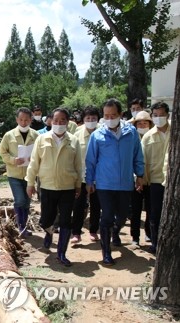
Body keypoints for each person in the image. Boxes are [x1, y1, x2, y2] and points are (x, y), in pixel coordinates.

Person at [85, 98, 144, 266]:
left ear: (120, 114)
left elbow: (137, 155)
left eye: (113, 115)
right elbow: (90, 160)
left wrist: (139, 174)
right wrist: (89, 181)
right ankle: (106, 253)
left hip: (125, 183)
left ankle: (116, 231)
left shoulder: (131, 133)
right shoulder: (97, 135)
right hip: (105, 184)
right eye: (106, 116)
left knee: (123, 215)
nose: (109, 119)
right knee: (108, 215)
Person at [26, 108, 82, 266]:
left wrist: (78, 184)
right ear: (50, 121)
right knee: (45, 220)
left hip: (67, 187)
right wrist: (30, 183)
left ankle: (61, 253)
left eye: (62, 120)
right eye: (56, 121)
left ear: (68, 122)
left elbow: (79, 165)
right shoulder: (41, 139)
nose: (59, 124)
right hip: (47, 186)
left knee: (65, 221)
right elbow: (34, 163)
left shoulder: (73, 140)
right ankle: (48, 233)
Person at [0, 108, 39, 238]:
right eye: (21, 119)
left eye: (26, 120)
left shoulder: (36, 135)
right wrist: (13, 160)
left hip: (30, 175)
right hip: (14, 174)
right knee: (20, 199)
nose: (23, 122)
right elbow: (3, 152)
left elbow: (40, 153)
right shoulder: (9, 135)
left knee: (27, 202)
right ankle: (20, 226)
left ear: (31, 120)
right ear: (17, 119)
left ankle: (24, 226)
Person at [141, 102, 171, 254]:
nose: (159, 118)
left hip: (172, 181)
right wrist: (142, 180)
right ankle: (155, 242)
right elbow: (143, 160)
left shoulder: (175, 132)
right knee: (154, 213)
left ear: (168, 115)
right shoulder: (147, 136)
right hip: (155, 181)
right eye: (156, 115)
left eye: (162, 115)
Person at [71, 106, 101, 244]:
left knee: (96, 205)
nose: (91, 121)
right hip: (81, 177)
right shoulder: (77, 134)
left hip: (99, 177)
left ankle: (94, 231)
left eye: (93, 118)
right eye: (88, 118)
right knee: (78, 205)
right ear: (83, 119)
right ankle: (76, 233)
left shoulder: (103, 132)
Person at [129, 111, 153, 246]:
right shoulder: (132, 137)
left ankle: (149, 234)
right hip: (135, 179)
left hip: (151, 179)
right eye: (139, 123)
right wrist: (137, 178)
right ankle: (135, 237)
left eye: (145, 123)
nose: (142, 125)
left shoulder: (152, 136)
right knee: (135, 210)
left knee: (151, 209)